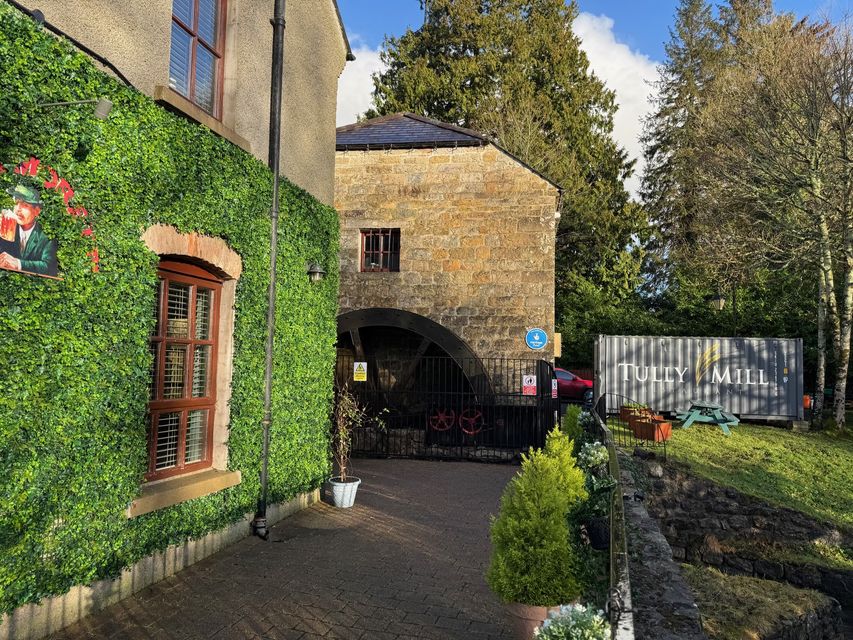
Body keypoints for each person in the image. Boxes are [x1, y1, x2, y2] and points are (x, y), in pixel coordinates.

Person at [0, 184, 58, 277]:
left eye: (25, 205)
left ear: (37, 211)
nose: (18, 209)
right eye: (16, 203)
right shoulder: (8, 228)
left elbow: (49, 266)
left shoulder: (46, 236)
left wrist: (18, 264)